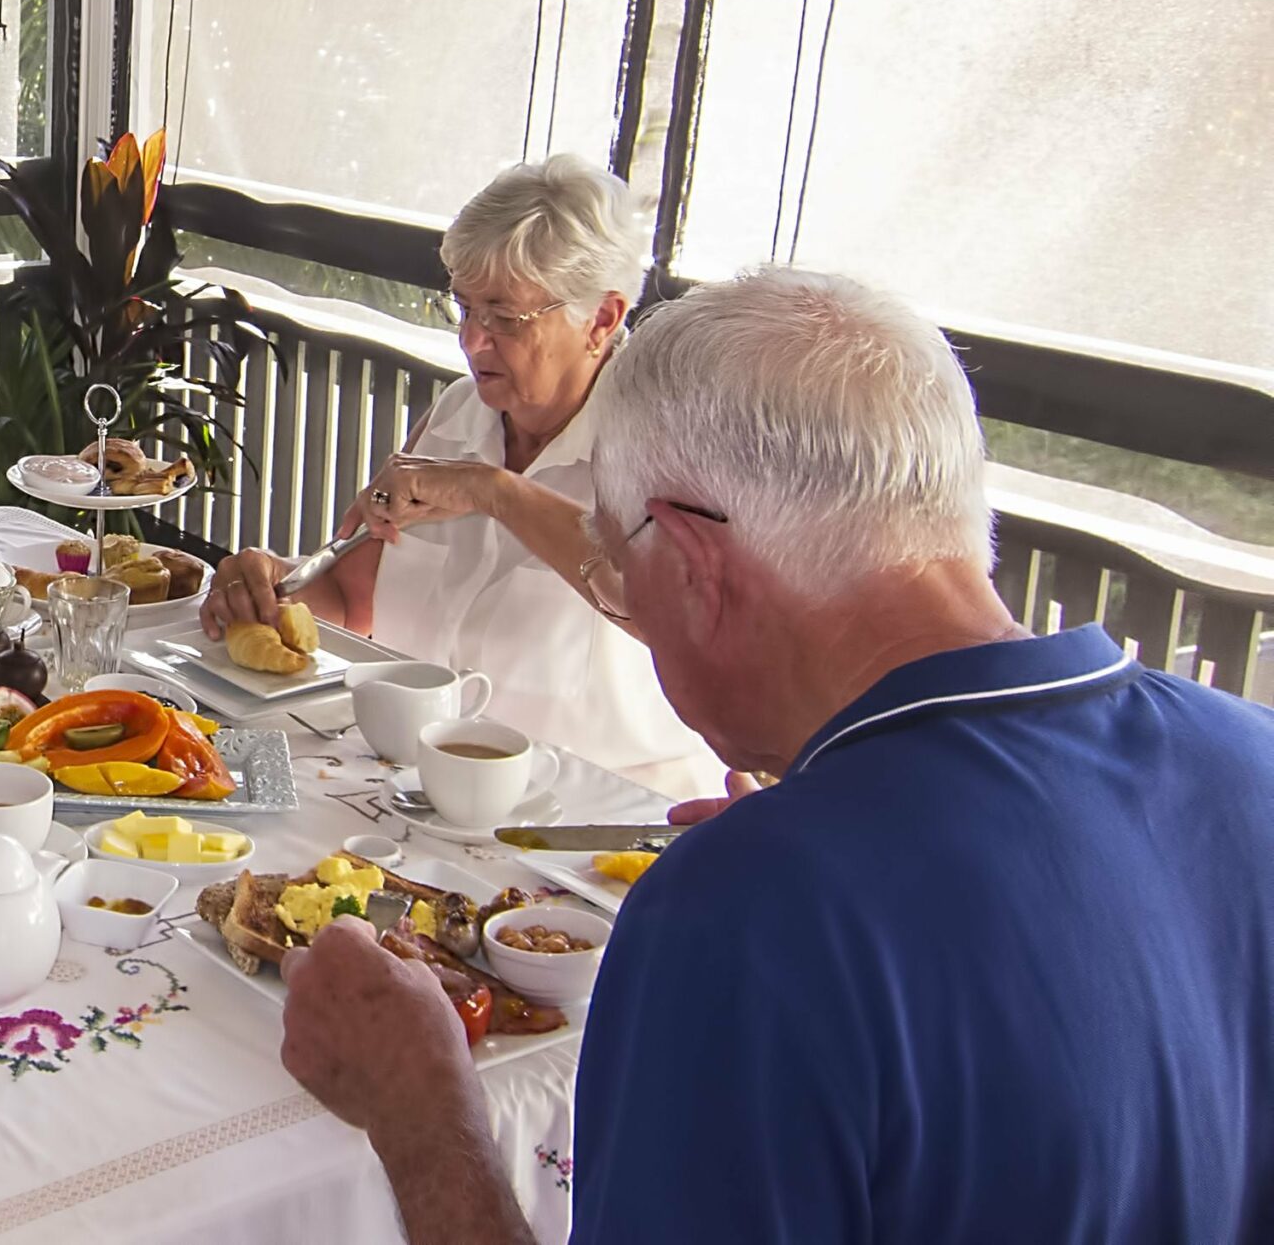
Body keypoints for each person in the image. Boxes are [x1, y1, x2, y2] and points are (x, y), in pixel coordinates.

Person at [277, 268, 1274, 1243]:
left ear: (694, 564)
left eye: (621, 578)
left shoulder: (751, 910)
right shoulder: (1250, 759)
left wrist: (420, 1114)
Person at [199, 153, 719, 799]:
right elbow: (352, 600)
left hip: (592, 816)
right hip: (419, 788)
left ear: (604, 318)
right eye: (464, 308)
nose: (472, 342)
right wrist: (277, 588)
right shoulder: (457, 410)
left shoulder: (668, 448)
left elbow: (665, 618)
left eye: (505, 318)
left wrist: (495, 491)